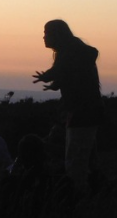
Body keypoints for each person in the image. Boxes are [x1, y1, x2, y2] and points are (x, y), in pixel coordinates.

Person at [32, 19, 104, 194]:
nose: (43, 37)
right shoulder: (73, 52)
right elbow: (72, 74)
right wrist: (56, 83)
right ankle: (95, 192)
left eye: (46, 33)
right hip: (85, 111)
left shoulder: (70, 52)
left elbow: (65, 70)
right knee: (85, 158)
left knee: (75, 161)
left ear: (57, 35)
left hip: (82, 113)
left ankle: (80, 198)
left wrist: (48, 77)